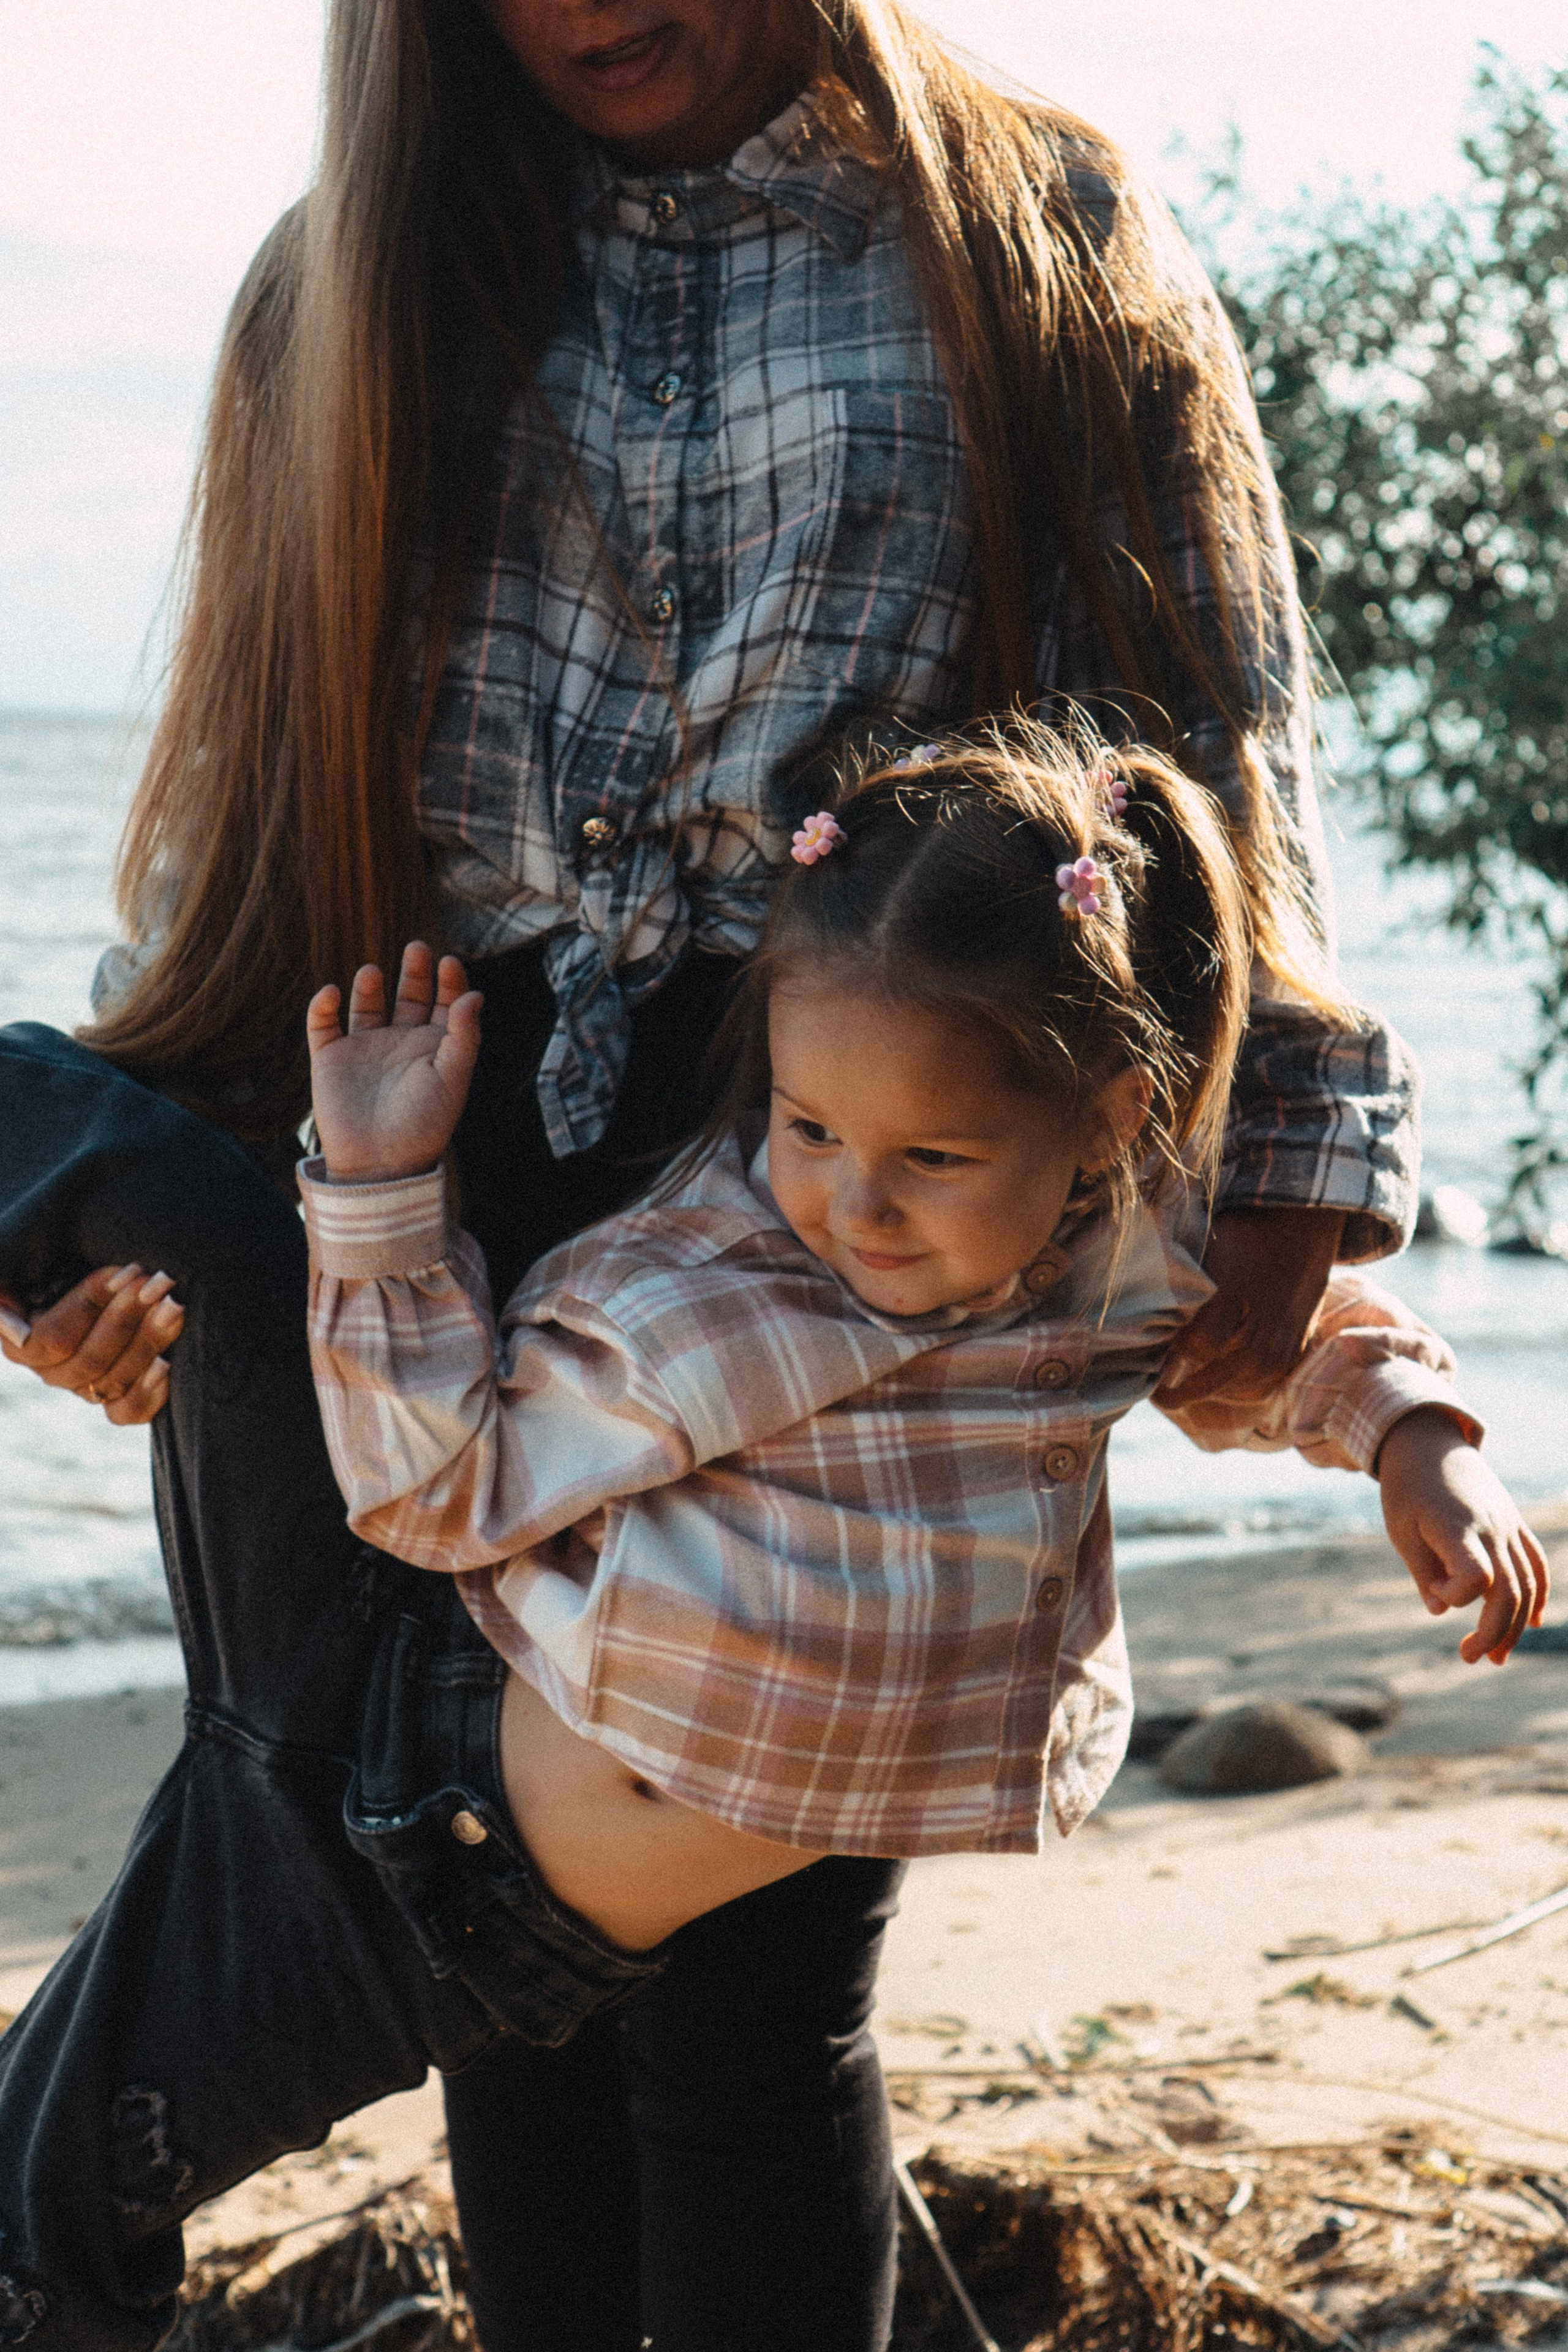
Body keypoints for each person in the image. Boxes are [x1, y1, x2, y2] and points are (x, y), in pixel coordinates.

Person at [0, 1, 1431, 2342]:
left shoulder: (1027, 230)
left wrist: (1282, 1173)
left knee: (757, 2008)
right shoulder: (345, 275)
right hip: (441, 1153)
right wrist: (148, 1240)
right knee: (524, 2029)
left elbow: (1218, 737)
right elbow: (263, 813)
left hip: (841, 1175)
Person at [0, 736, 1543, 2352]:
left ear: (1106, 1124)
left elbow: (1308, 1333)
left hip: (451, 1896)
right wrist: (381, 1181)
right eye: (808, 1129)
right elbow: (431, 1487)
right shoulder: (710, 1285)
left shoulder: (1111, 1268)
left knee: (42, 2204)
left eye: (931, 1159)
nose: (857, 1205)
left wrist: (1421, 1449)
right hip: (409, 1773)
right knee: (163, 1191)